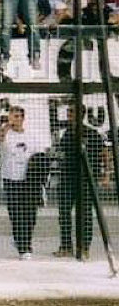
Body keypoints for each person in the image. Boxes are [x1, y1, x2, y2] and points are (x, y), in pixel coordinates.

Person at [54, 104, 109, 259]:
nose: (69, 114)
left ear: (81, 113)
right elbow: (62, 153)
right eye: (68, 111)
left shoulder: (91, 133)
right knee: (64, 212)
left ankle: (84, 247)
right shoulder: (66, 133)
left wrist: (106, 174)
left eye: (72, 111)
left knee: (85, 213)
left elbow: (104, 153)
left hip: (86, 179)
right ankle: (66, 246)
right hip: (67, 178)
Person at [0, 105, 44, 260]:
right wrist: (7, 125)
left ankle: (26, 243)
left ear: (23, 118)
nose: (16, 119)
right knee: (15, 213)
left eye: (18, 116)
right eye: (13, 116)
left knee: (29, 214)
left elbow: (40, 155)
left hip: (28, 180)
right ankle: (22, 245)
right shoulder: (6, 133)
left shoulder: (31, 135)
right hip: (11, 179)